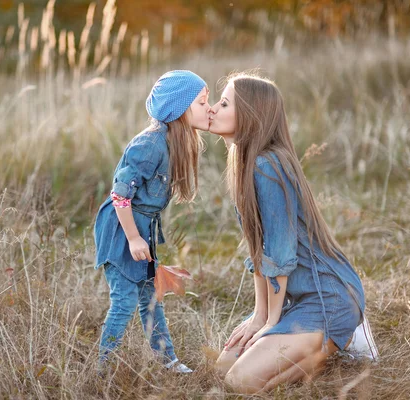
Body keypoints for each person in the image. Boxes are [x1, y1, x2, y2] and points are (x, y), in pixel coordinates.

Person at [208, 72, 378, 393]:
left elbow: (281, 256)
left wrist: (271, 324)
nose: (214, 109)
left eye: (225, 103)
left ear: (250, 114)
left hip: (328, 298)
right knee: (223, 367)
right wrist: (260, 316)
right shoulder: (245, 165)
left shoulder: (266, 165)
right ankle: (313, 343)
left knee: (240, 381)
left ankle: (327, 349)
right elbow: (259, 251)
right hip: (294, 298)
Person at [94, 70, 210, 373]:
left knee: (151, 297)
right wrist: (133, 238)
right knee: (125, 300)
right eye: (201, 102)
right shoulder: (150, 144)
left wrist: (141, 236)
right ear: (179, 109)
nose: (208, 109)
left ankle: (167, 360)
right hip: (122, 228)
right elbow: (120, 196)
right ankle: (101, 368)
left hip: (141, 227)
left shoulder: (176, 143)